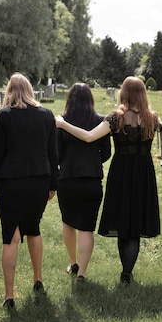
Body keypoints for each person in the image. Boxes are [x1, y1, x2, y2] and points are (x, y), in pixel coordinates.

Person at [55, 76, 161, 286]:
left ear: (124, 93)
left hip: (121, 173)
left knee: (124, 220)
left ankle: (123, 274)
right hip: (144, 174)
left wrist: (63, 124)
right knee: (136, 222)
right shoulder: (153, 118)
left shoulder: (116, 117)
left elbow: (87, 137)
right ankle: (126, 272)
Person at [0, 73, 58, 309]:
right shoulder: (46, 115)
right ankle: (38, 279)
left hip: (11, 182)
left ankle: (9, 295)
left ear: (9, 91)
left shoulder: (4, 116)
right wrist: (53, 184)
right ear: (29, 90)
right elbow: (52, 153)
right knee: (34, 229)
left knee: (11, 236)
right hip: (39, 181)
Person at [57, 83, 111, 281]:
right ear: (91, 99)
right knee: (87, 228)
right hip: (92, 180)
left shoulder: (61, 122)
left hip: (68, 180)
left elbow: (56, 154)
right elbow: (106, 153)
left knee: (68, 222)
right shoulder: (100, 121)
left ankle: (73, 262)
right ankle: (82, 273)